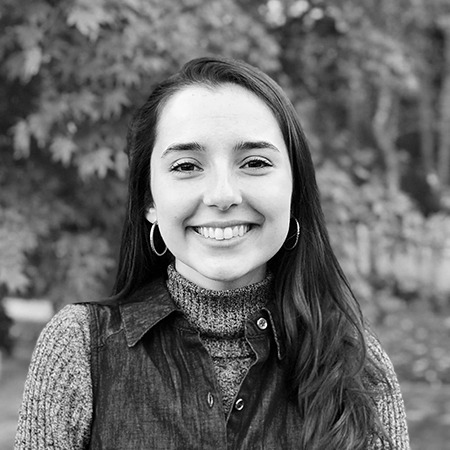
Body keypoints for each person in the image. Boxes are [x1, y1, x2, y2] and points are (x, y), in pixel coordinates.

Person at [15, 57, 410, 449]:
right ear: (149, 199)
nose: (223, 195)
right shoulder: (79, 349)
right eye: (186, 166)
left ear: (294, 190)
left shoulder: (356, 366)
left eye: (255, 162)